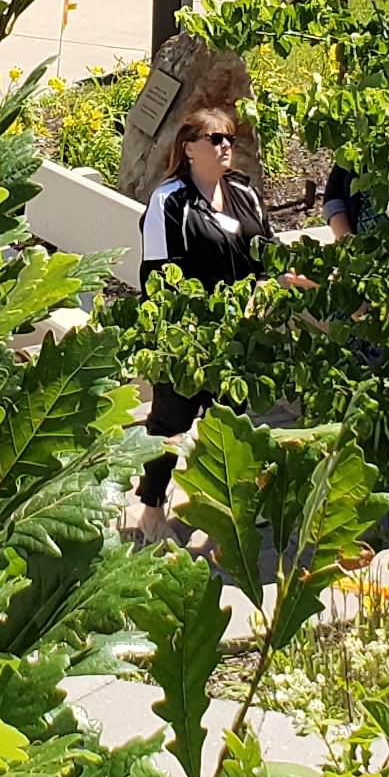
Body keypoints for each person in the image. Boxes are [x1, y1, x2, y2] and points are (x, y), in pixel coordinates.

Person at [134, 102, 270, 512]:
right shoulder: (169, 201)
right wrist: (184, 330)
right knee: (169, 424)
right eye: (215, 139)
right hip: (186, 334)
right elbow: (157, 274)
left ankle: (224, 509)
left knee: (232, 426)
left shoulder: (245, 195)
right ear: (190, 148)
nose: (226, 146)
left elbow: (267, 258)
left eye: (230, 137)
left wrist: (261, 298)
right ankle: (153, 507)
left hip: (240, 335)